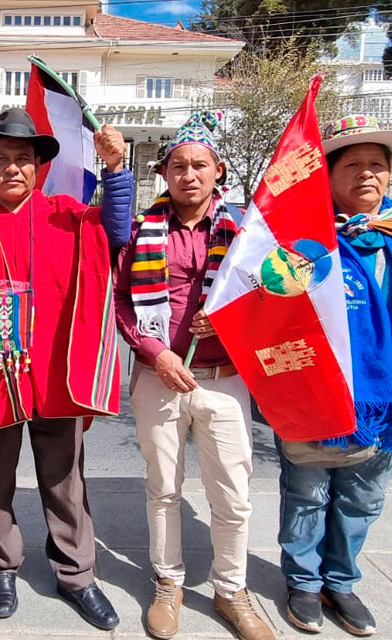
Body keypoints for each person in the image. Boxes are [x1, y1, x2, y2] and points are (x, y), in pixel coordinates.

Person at [0, 108, 133, 630]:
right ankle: (2, 565)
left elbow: (117, 230)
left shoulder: (67, 215)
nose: (12, 168)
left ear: (38, 167)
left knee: (65, 481)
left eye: (23, 158)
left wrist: (116, 171)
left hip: (56, 375)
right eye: (1, 159)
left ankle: (76, 574)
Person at [277, 115, 392, 637]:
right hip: (319, 393)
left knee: (364, 495)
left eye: (376, 166)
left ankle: (341, 580)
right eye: (353, 164)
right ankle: (303, 583)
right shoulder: (302, 242)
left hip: (391, 397)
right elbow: (273, 316)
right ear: (329, 176)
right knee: (308, 493)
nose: (367, 175)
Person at [114, 113, 275, 640]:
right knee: (163, 489)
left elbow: (272, 296)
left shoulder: (248, 235)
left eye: (199, 165)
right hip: (158, 378)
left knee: (231, 495)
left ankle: (231, 591)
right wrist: (156, 351)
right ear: (164, 173)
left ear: (218, 171)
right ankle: (168, 582)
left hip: (224, 379)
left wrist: (233, 320)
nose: (188, 175)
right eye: (178, 165)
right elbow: (121, 303)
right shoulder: (141, 232)